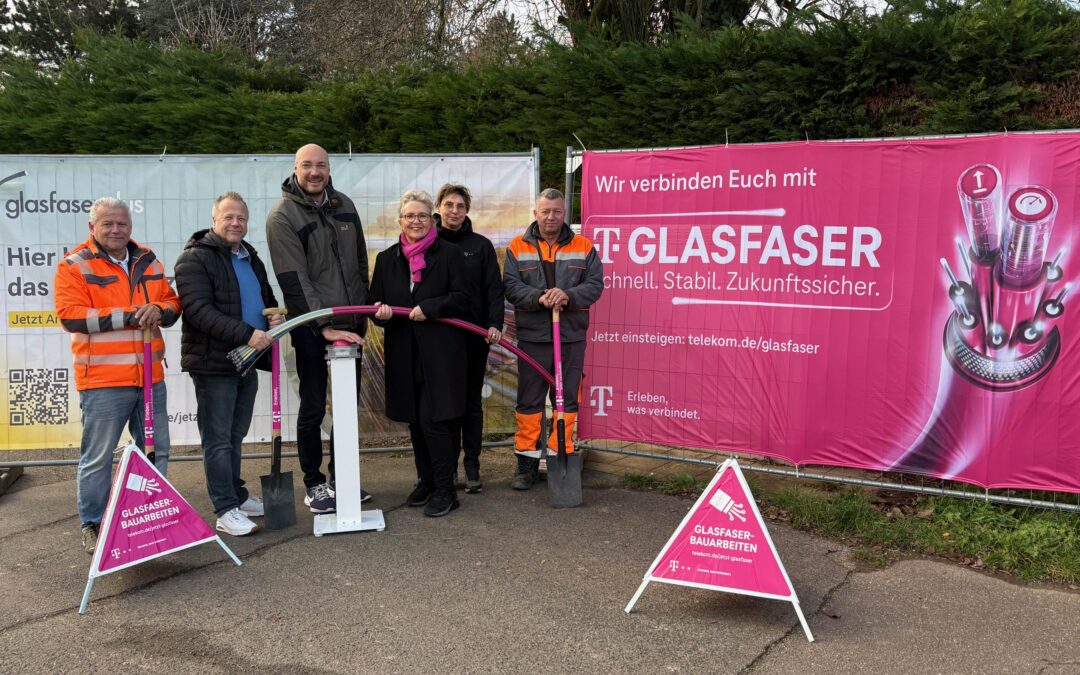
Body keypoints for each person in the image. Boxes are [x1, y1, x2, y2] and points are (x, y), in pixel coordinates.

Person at [54, 196, 182, 554]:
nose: (115, 230)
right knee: (98, 457)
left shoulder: (148, 259)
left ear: (130, 226)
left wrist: (159, 308)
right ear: (91, 227)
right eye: (107, 224)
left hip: (150, 377)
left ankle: (148, 517)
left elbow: (173, 304)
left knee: (155, 451)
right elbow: (71, 317)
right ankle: (93, 523)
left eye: (122, 224)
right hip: (103, 381)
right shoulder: (74, 265)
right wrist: (131, 315)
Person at [266, 144, 371, 514]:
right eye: (307, 165)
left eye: (321, 166)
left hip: (351, 326)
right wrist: (322, 324)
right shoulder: (282, 216)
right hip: (311, 327)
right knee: (313, 406)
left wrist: (362, 313)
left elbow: (359, 260)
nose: (315, 172)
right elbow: (294, 280)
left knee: (345, 407)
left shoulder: (344, 204)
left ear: (329, 169)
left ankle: (344, 478)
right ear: (295, 168)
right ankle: (314, 483)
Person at [174, 192, 285, 537]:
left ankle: (237, 494)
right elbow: (199, 311)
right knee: (218, 440)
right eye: (228, 217)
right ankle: (225, 509)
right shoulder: (194, 259)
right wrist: (247, 333)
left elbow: (265, 298)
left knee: (235, 435)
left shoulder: (250, 257)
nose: (236, 223)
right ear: (214, 220)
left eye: (241, 218)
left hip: (246, 361)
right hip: (214, 364)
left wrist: (275, 315)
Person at [370, 190, 469, 517]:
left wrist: (429, 308)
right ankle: (426, 481)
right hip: (403, 351)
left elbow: (463, 299)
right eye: (410, 215)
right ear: (400, 220)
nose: (416, 221)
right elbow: (375, 305)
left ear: (433, 220)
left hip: (441, 353)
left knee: (435, 420)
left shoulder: (450, 254)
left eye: (422, 216)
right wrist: (380, 313)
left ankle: (446, 489)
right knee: (415, 420)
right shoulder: (386, 259)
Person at [503, 188, 604, 490]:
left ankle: (562, 455)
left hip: (570, 336)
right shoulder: (517, 246)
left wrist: (568, 295)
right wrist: (539, 298)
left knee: (567, 400)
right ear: (535, 213)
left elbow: (596, 284)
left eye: (557, 211)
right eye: (545, 211)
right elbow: (510, 285)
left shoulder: (584, 246)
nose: (551, 217)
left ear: (565, 214)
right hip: (534, 338)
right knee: (529, 401)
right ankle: (526, 463)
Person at [434, 183, 503, 494]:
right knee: (445, 404)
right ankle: (444, 469)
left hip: (474, 337)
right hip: (439, 337)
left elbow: (493, 289)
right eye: (449, 205)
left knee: (471, 403)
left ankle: (472, 464)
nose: (454, 211)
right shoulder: (428, 243)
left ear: (467, 211)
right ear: (438, 207)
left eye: (460, 206)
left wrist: (494, 324)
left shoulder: (480, 246)